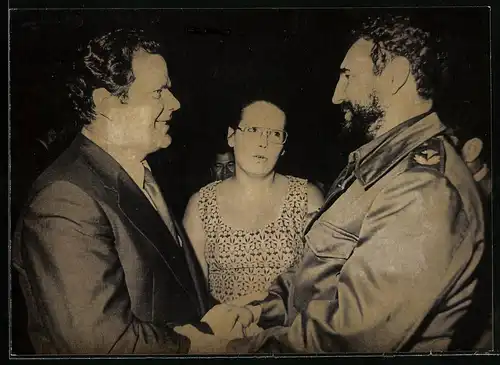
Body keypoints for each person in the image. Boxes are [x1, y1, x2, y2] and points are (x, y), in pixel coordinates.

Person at [188, 15, 487, 353]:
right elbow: (317, 276)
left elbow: (346, 340)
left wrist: (228, 348)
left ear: (395, 76)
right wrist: (255, 313)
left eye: (347, 76)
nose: (335, 95)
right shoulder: (380, 169)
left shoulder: (423, 191)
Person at [11, 28, 215, 354]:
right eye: (158, 92)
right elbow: (98, 342)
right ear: (106, 103)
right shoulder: (64, 199)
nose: (175, 103)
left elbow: (169, 286)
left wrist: (217, 317)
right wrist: (202, 342)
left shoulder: (139, 174)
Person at [182, 100, 325, 305]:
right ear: (232, 137)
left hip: (290, 333)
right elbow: (195, 298)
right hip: (225, 334)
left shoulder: (307, 199)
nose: (263, 143)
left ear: (283, 147)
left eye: (274, 134)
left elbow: (320, 288)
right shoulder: (201, 205)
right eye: (253, 130)